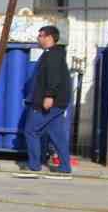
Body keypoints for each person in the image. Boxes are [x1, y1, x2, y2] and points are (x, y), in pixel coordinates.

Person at [20, 24, 72, 177]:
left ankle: (34, 166)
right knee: (57, 134)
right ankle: (65, 167)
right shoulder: (52, 54)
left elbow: (53, 78)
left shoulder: (53, 55)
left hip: (48, 102)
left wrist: (49, 96)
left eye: (40, 35)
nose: (38, 38)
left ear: (49, 37)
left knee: (31, 131)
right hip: (58, 102)